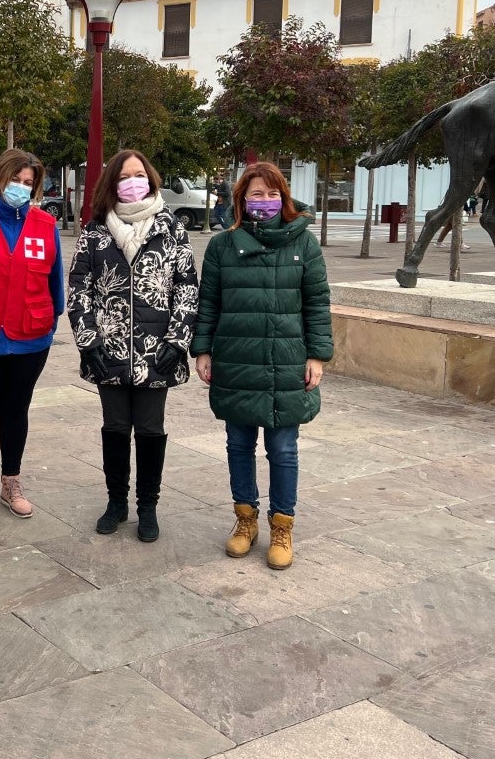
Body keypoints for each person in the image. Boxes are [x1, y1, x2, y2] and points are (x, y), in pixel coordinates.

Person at [191, 162, 333, 570]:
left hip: (287, 360)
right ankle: (245, 521)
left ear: (284, 198)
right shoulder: (222, 246)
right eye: (256, 194)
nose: (265, 201)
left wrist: (317, 355)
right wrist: (203, 350)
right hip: (236, 359)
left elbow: (317, 304)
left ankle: (282, 525)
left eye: (272, 194)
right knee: (238, 445)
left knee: (282, 449)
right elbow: (209, 304)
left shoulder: (304, 245)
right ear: (241, 199)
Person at [67, 149, 199, 543]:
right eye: (124, 176)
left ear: (151, 178)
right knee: (115, 427)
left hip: (156, 351)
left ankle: (148, 506)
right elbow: (78, 288)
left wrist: (177, 340)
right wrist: (88, 339)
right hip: (108, 352)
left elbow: (187, 287)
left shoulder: (171, 228)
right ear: (113, 183)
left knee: (150, 429)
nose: (133, 181)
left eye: (139, 174)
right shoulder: (95, 232)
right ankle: (116, 501)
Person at [0, 149, 65, 517]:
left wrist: (51, 321)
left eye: (29, 183)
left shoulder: (46, 225)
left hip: (31, 336)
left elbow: (56, 284)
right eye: (15, 181)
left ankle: (11, 482)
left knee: (16, 410)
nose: (21, 188)